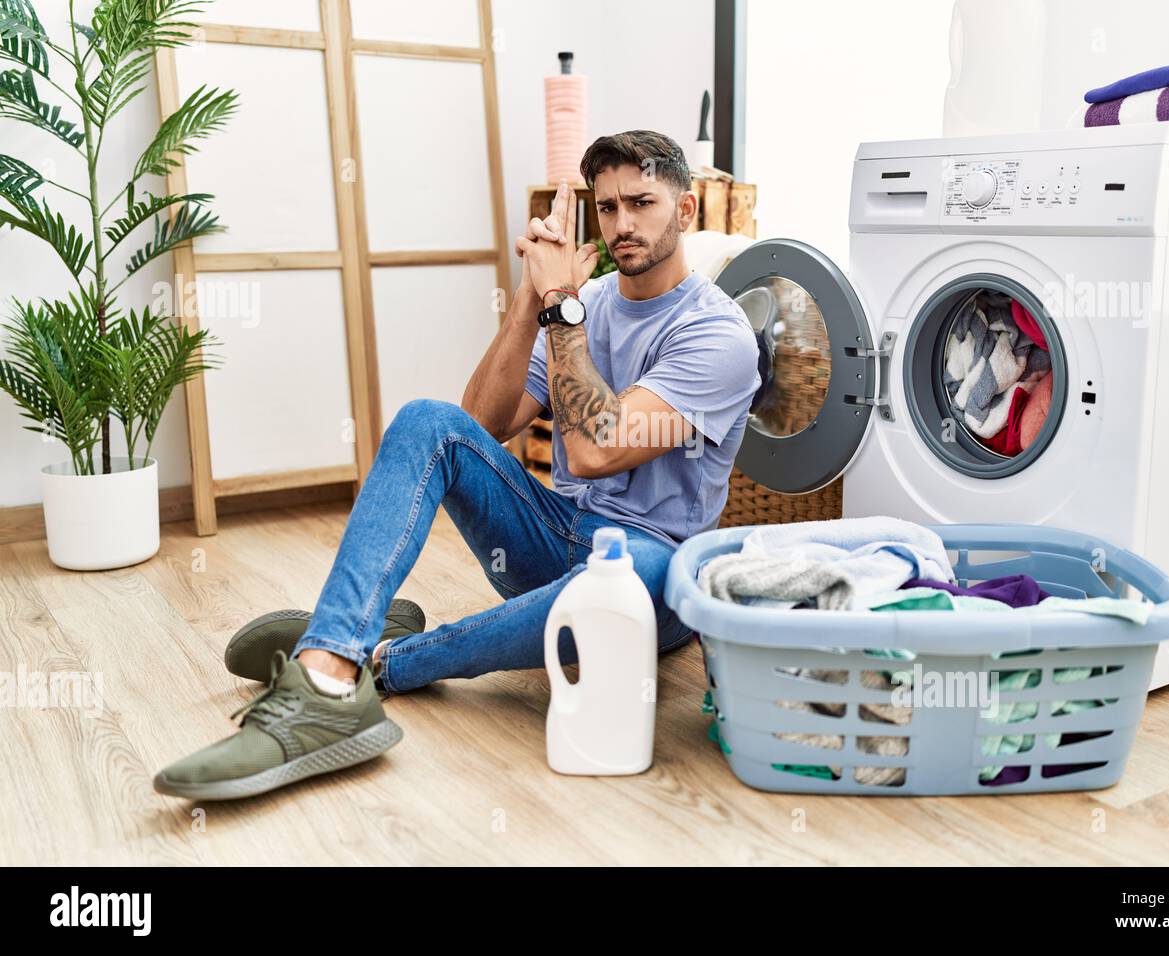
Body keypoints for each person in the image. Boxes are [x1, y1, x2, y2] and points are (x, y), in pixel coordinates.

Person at [153, 130, 760, 800]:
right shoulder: (587, 300)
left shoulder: (718, 333)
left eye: (641, 202)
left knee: (635, 571)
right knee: (426, 420)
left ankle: (380, 657)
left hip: (650, 577)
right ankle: (329, 670)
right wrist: (533, 299)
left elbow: (594, 449)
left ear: (686, 210)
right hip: (558, 536)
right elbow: (481, 425)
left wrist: (562, 302)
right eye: (607, 206)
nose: (621, 223)